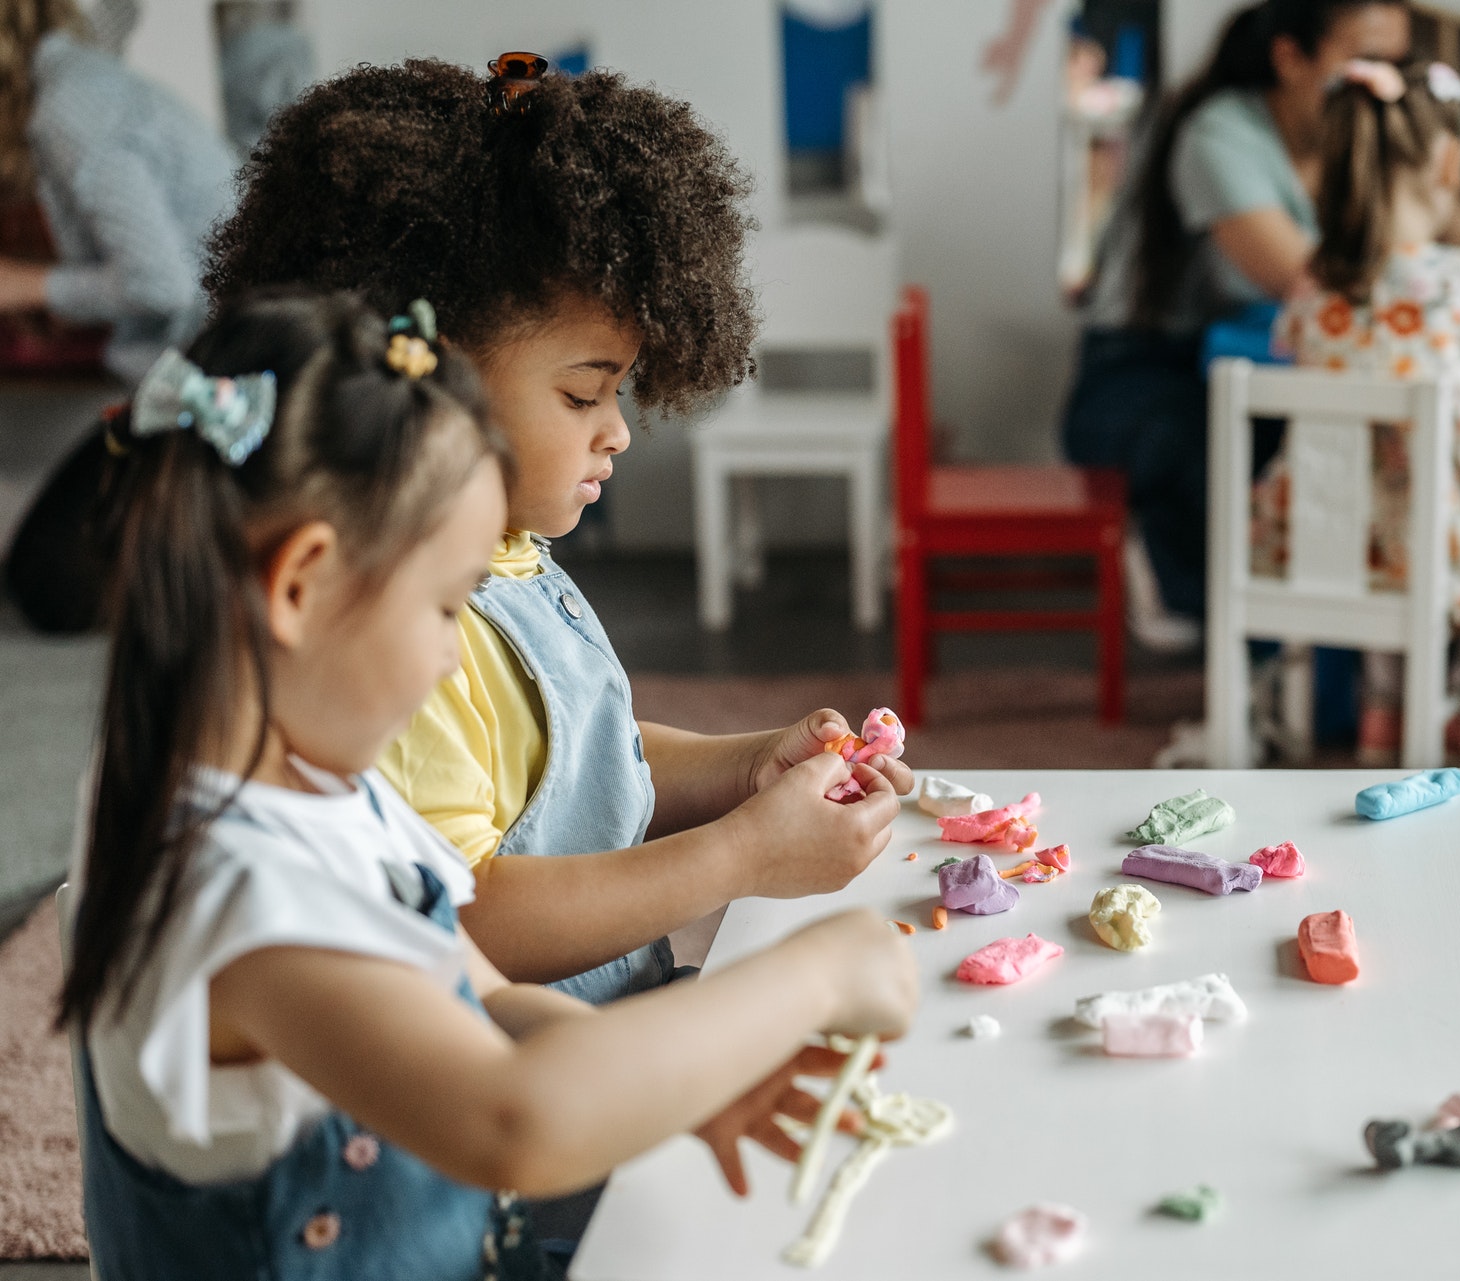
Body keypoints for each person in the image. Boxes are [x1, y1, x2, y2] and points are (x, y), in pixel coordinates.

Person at [60, 291, 917, 1279]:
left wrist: (683, 1078)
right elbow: (519, 1116)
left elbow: (486, 991)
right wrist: (817, 972)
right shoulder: (238, 892)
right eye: (447, 605)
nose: (449, 660)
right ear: (300, 585)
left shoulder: (311, 785)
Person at [202, 56, 913, 1005]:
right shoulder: (391, 636)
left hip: (599, 1035)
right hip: (513, 1074)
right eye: (584, 392)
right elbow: (471, 917)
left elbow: (582, 764)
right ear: (437, 375)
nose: (617, 428)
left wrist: (748, 768)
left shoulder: (510, 554)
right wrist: (742, 855)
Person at [1060, 0, 1460, 647]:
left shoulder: (1367, 138)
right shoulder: (1220, 135)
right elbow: (1327, 280)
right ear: (1292, 60)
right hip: (1142, 367)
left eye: (1396, 62)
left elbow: (1447, 230)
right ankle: (1201, 588)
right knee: (1271, 459)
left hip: (1250, 354)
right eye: (1366, 59)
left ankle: (1364, 653)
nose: (1384, 79)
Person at [1251, 59, 1460, 763]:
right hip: (1445, 545)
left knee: (1379, 513)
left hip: (1322, 538)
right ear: (1450, 162)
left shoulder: (1312, 286)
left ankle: (1382, 699)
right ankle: (1449, 689)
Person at [0, 0, 233, 381]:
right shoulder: (73, 78)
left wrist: (24, 286)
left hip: (216, 371)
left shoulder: (69, 107)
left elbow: (161, 284)